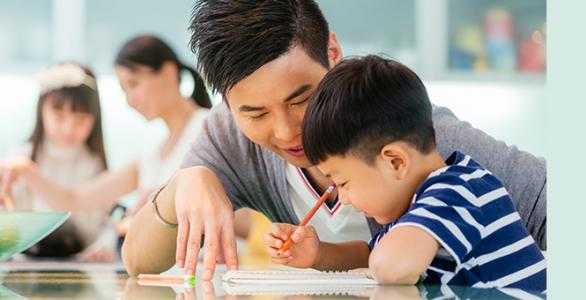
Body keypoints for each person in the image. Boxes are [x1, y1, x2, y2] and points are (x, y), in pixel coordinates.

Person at [122, 0, 546, 279]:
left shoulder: (414, 138)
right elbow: (138, 261)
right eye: (255, 113)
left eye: (301, 98)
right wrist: (184, 184)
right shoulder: (227, 138)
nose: (288, 132)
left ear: (333, 52)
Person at [267, 55, 546, 291]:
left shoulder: (459, 190)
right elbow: (373, 253)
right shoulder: (417, 210)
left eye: (344, 183)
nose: (346, 199)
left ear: (396, 162)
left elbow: (392, 267)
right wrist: (318, 254)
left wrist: (375, 271)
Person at [0, 35, 215, 257]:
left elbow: (240, 213)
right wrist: (26, 169)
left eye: (134, 84)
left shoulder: (210, 126)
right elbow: (74, 200)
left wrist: (162, 213)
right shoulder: (153, 155)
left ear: (169, 72)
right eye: (124, 90)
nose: (130, 100)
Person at [0, 63, 111, 257]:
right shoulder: (20, 157)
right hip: (24, 262)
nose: (69, 128)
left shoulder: (94, 163)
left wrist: (103, 247)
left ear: (95, 118)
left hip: (81, 262)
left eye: (81, 119)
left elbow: (100, 224)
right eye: (59, 116)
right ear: (41, 110)